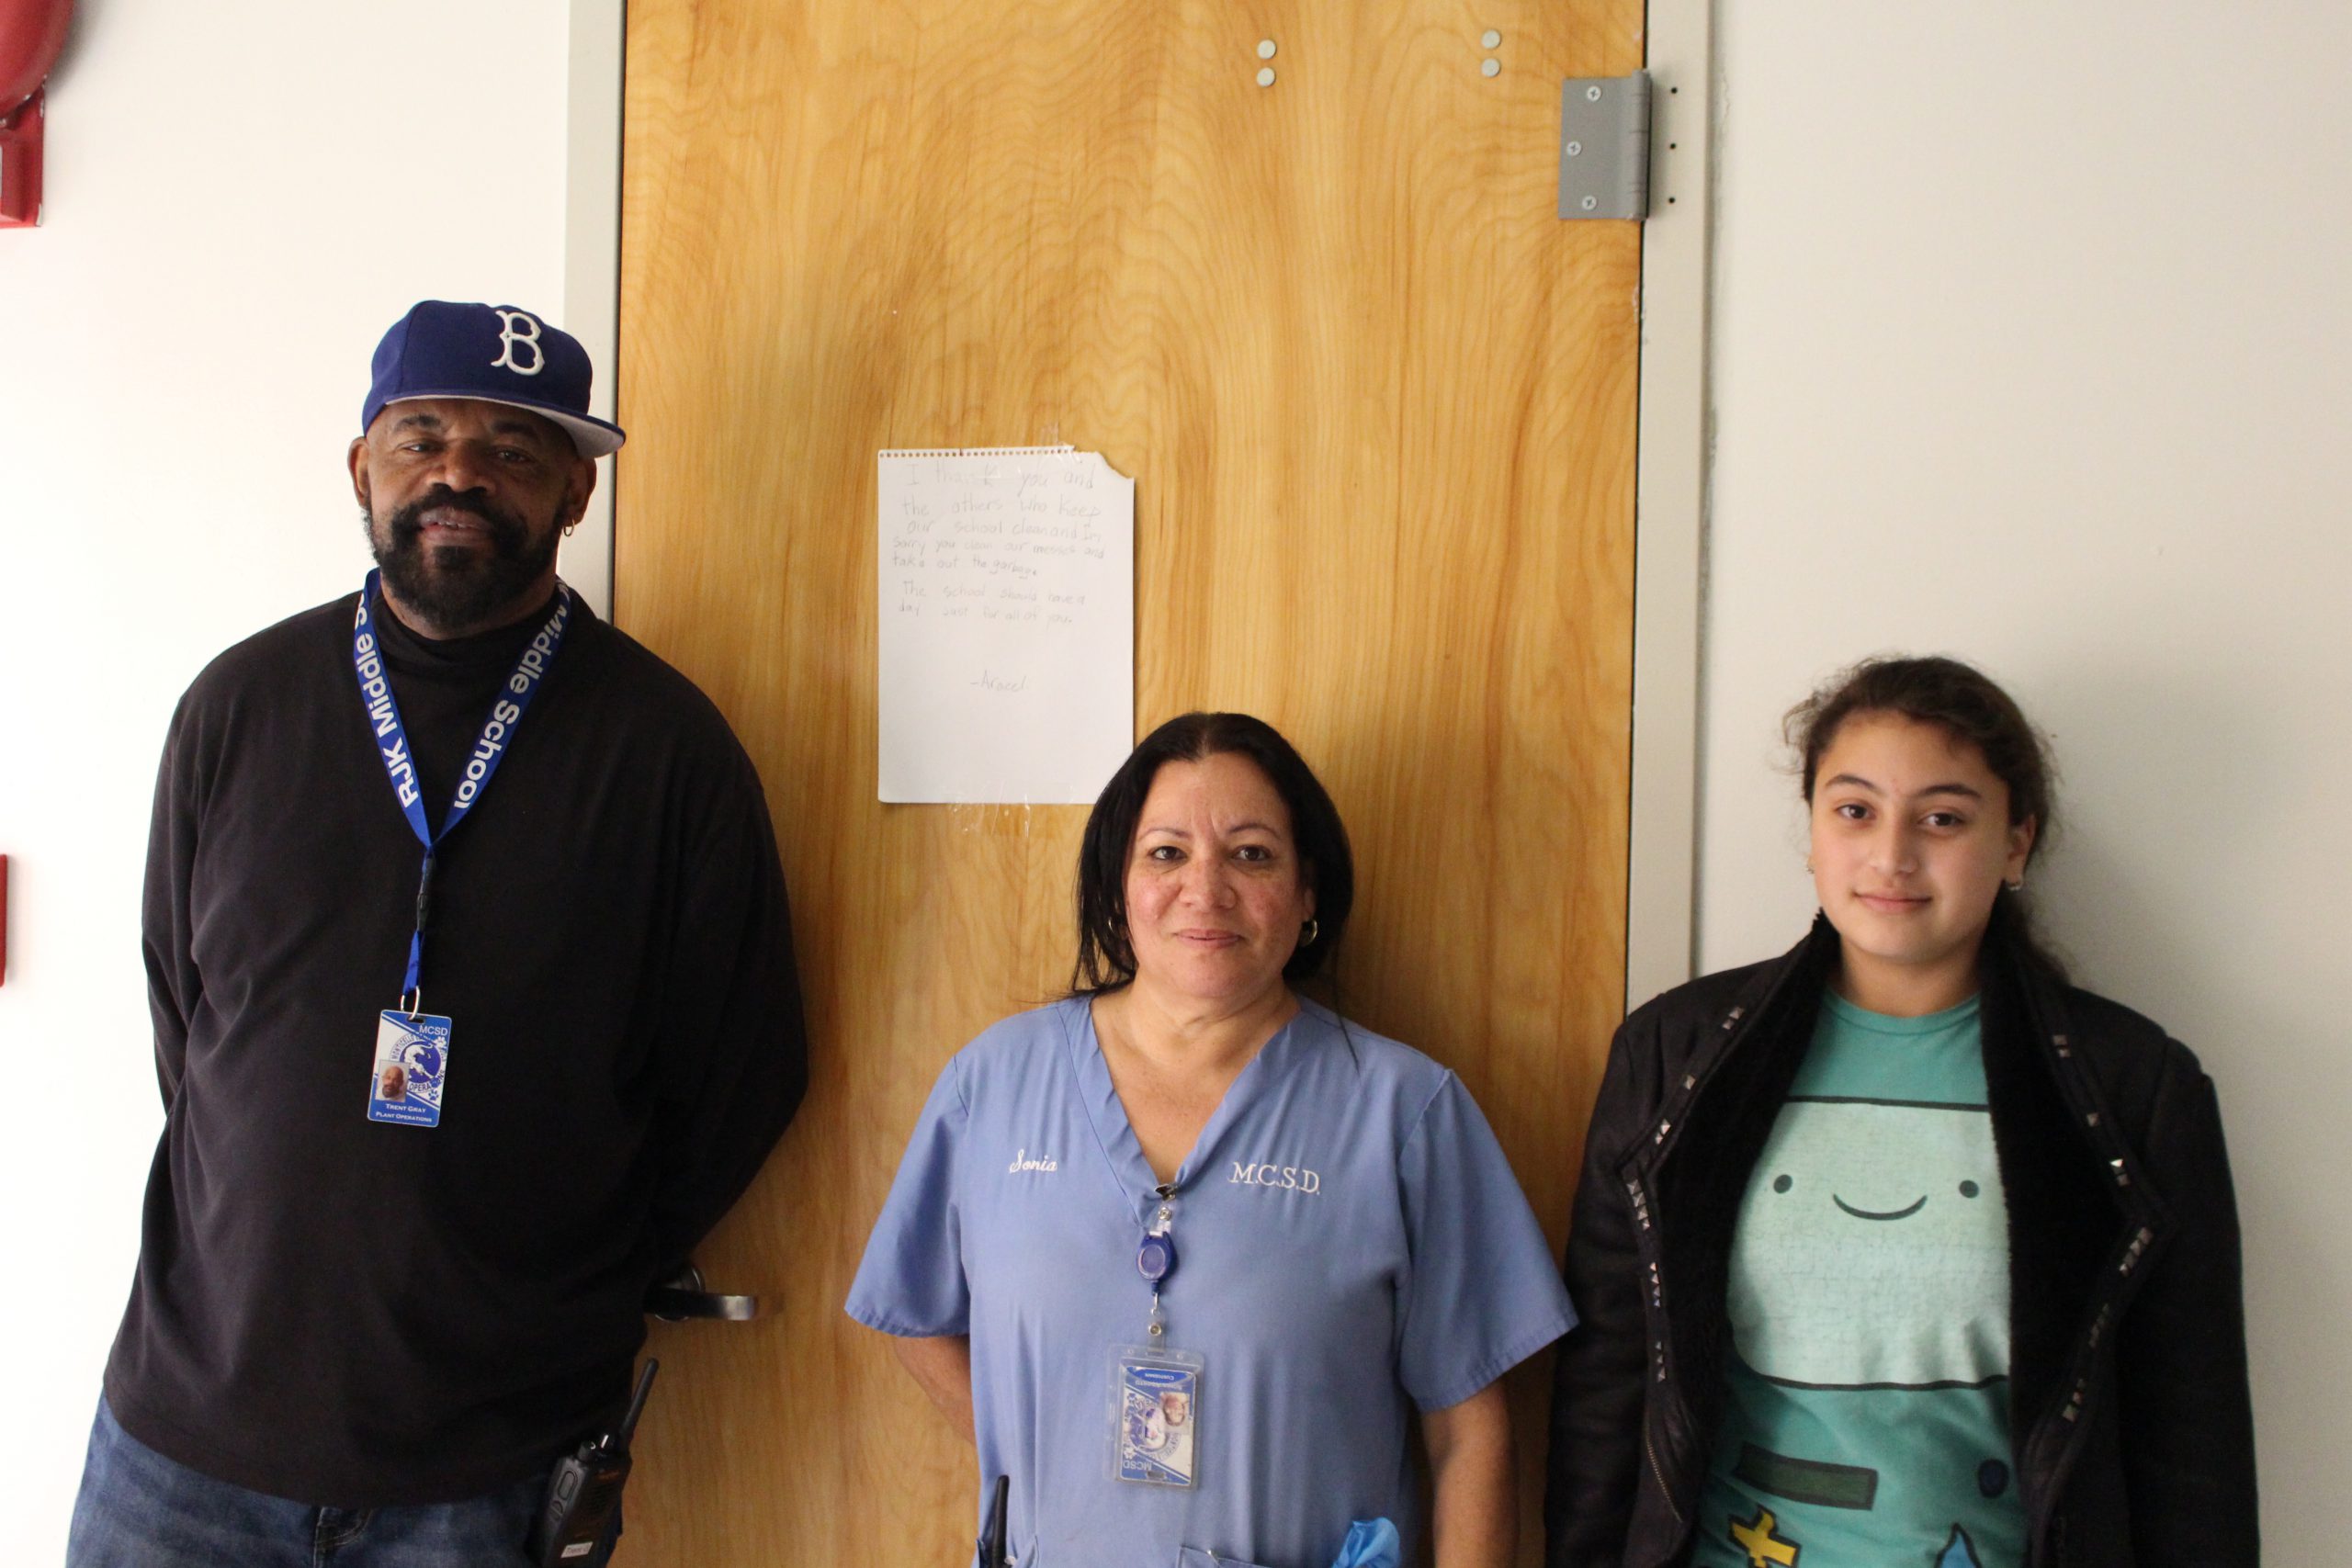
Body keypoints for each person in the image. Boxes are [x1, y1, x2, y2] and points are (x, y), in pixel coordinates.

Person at [68, 300, 809, 1566]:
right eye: (422, 436)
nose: (459, 471)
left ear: (576, 492)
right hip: (184, 1448)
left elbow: (740, 1074)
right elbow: (182, 1018)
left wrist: (550, 1279)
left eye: (513, 448)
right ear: (364, 467)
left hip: (489, 1469)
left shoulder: (669, 751)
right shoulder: (240, 705)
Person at [1544, 656, 2256, 1568]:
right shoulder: (1674, 1058)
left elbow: (2189, 1435)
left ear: (2015, 843)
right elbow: (1610, 1387)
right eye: (1854, 810)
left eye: (1943, 818)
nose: (1891, 855)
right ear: (1811, 831)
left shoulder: (2133, 1089)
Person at [848, 712, 1575, 1568]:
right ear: (1117, 883)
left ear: (1309, 893)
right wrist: (1053, 1460)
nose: (1206, 888)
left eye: (1252, 853)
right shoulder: (994, 1083)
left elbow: (1471, 1433)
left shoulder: (1404, 1112)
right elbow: (914, 1314)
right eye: (1166, 852)